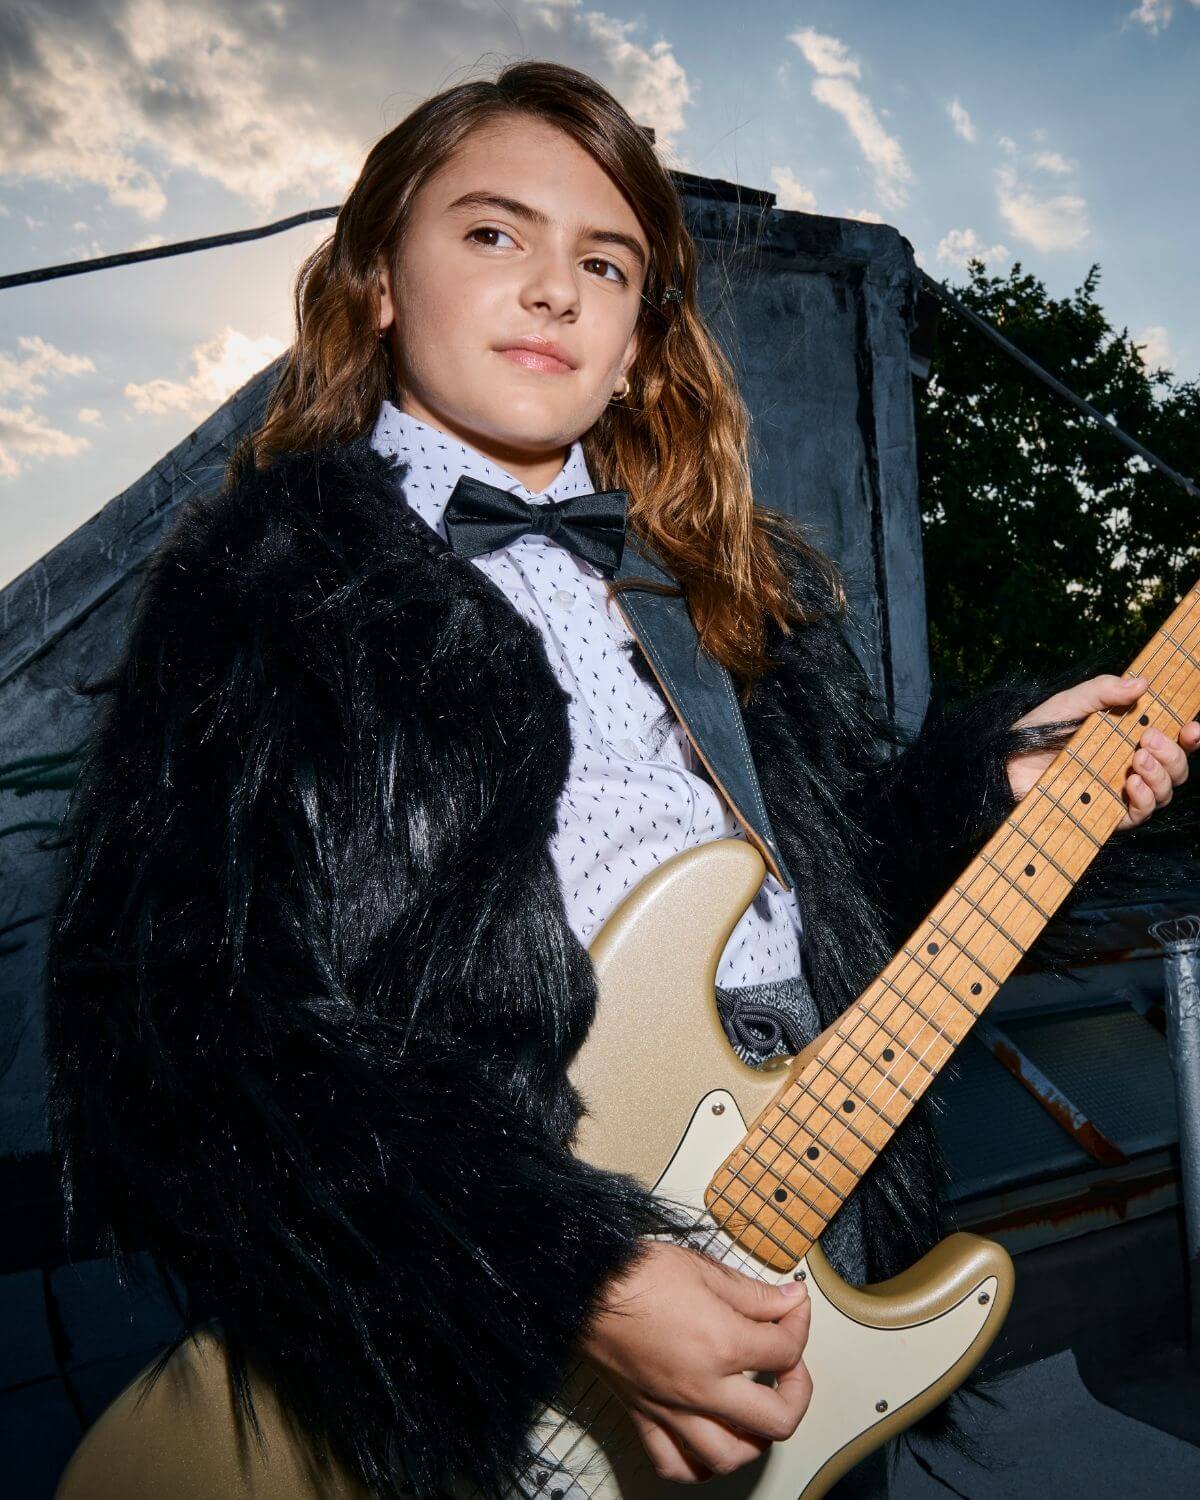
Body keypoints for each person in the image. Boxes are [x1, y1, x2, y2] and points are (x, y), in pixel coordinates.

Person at [42, 58, 1197, 1500]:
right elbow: (179, 1035)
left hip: (806, 1216)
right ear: (378, 283)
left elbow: (821, 910)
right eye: (491, 233)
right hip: (492, 1270)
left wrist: (988, 797)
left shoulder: (716, 587)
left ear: (643, 340)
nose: (551, 287)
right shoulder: (266, 590)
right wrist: (567, 1273)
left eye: (605, 260)